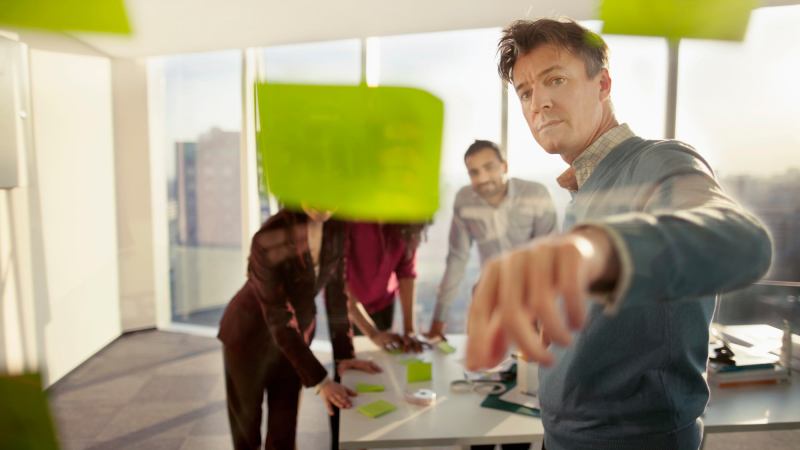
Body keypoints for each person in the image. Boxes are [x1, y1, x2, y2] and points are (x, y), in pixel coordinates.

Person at [465, 18, 772, 450]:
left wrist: (593, 253)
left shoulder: (660, 162)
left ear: (603, 84)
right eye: (526, 92)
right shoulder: (585, 187)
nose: (539, 102)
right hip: (565, 436)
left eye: (556, 79)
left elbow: (739, 242)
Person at [218, 206, 381, 450]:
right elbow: (279, 316)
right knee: (247, 435)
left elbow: (336, 295)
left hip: (294, 341)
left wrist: (345, 356)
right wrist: (322, 381)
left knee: (284, 434)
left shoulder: (337, 226)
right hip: (248, 339)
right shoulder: (269, 236)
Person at [426, 139, 557, 341]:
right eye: (474, 172)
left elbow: (548, 256)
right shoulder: (464, 200)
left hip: (532, 293)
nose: (482, 178)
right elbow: (457, 258)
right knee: (480, 355)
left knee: (533, 355)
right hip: (488, 295)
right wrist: (438, 320)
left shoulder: (535, 194)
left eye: (489, 167)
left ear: (504, 166)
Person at [345, 222, 427, 353]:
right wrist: (372, 333)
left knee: (384, 356)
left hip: (383, 302)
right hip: (346, 306)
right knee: (351, 356)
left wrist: (409, 330)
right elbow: (338, 281)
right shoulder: (352, 221)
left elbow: (406, 273)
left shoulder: (408, 224)